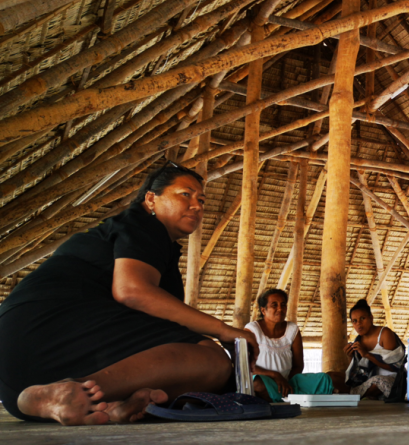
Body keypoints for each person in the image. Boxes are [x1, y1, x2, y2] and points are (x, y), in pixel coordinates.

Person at [0, 161, 260, 425]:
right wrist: (222, 329)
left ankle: (106, 405)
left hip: (16, 372)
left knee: (206, 371)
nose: (197, 205)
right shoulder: (142, 224)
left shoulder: (157, 247)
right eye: (185, 194)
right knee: (210, 360)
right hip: (46, 325)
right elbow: (132, 292)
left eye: (202, 200)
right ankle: (74, 391)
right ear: (151, 199)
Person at [246, 288, 333, 402]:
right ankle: (289, 398)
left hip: (288, 380)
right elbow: (245, 365)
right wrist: (275, 375)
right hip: (264, 379)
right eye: (274, 305)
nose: (280, 309)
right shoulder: (252, 330)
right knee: (256, 384)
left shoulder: (292, 330)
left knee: (323, 379)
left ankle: (286, 395)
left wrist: (286, 383)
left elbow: (298, 365)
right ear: (263, 310)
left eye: (283, 305)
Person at [328, 299, 405, 399]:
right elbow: (359, 372)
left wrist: (367, 355)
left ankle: (351, 394)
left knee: (378, 382)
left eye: (362, 318)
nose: (358, 324)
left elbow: (395, 367)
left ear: (371, 318)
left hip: (392, 380)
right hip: (366, 381)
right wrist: (350, 356)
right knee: (330, 376)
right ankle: (359, 394)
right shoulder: (358, 340)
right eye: (354, 321)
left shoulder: (385, 334)